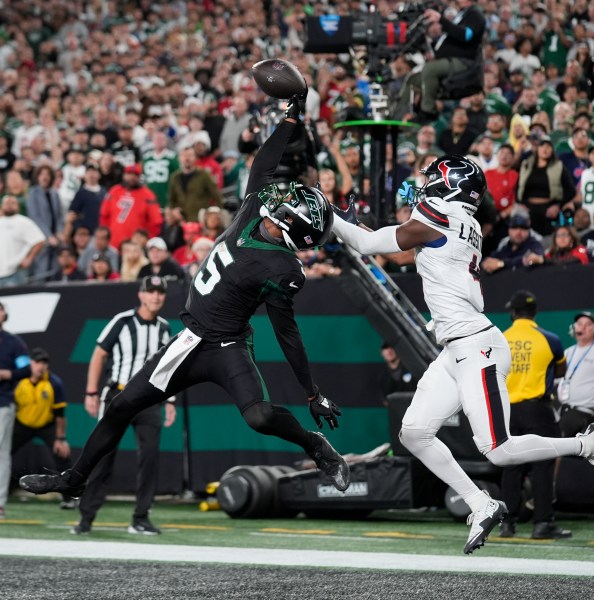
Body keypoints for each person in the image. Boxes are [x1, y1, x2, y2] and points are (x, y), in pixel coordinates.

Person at [19, 94, 351, 512]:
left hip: (228, 346)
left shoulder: (283, 267)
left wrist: (311, 392)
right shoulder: (252, 210)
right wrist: (288, 120)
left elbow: (287, 333)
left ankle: (316, 447)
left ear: (289, 226)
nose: (278, 203)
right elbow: (262, 162)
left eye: (285, 208)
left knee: (260, 417)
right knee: (121, 405)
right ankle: (74, 480)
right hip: (190, 339)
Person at [329, 153, 594, 554]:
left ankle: (586, 444)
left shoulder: (441, 216)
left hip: (477, 347)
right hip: (456, 349)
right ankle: (481, 502)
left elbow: (371, 245)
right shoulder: (457, 220)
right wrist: (353, 225)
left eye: (433, 177)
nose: (425, 184)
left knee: (498, 448)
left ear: (450, 184)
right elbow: (397, 241)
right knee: (414, 432)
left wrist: (326, 215)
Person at [72, 276, 176, 535]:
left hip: (148, 401)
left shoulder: (164, 327)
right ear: (141, 295)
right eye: (150, 291)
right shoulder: (122, 321)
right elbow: (99, 354)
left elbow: (169, 367)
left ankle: (140, 518)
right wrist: (91, 392)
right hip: (118, 396)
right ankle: (86, 518)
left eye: (160, 292)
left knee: (150, 457)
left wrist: (170, 400)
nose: (156, 296)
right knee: (103, 456)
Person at [500, 291, 571, 540]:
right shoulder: (549, 339)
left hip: (507, 410)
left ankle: (507, 524)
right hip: (537, 408)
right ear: (534, 313)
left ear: (513, 313)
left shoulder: (501, 339)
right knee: (543, 465)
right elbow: (560, 370)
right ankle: (542, 524)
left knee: (511, 466)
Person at [398, 0, 486, 123]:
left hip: (464, 62)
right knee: (413, 79)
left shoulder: (475, 14)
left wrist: (441, 20)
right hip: (447, 60)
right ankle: (399, 113)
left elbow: (466, 35)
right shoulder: (460, 15)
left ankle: (428, 111)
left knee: (430, 69)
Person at [12, 348, 73, 509]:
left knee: (62, 455)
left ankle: (69, 497)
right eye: (37, 362)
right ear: (30, 363)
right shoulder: (18, 380)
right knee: (3, 453)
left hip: (47, 425)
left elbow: (60, 414)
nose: (40, 366)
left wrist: (61, 438)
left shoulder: (54, 383)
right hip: (21, 425)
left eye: (44, 362)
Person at [0, 302, 30, 519]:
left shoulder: (13, 342)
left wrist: (6, 375)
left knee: (1, 454)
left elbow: (26, 368)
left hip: (2, 402)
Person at [99, 164, 163, 251]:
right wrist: (105, 237)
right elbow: (104, 215)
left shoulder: (148, 195)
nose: (132, 178)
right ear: (124, 175)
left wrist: (148, 241)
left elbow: (155, 222)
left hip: (136, 246)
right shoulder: (114, 191)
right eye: (129, 174)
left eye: (135, 175)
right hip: (113, 243)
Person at [557, 312, 594, 437]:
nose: (582, 328)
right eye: (580, 324)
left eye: (588, 325)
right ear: (574, 328)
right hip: (566, 410)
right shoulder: (568, 352)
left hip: (587, 413)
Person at [0, 195, 46, 288]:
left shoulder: (23, 222)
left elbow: (39, 241)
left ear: (18, 206)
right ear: (2, 206)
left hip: (15, 272)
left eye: (12, 203)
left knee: (14, 300)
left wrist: (29, 258)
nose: (9, 206)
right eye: (7, 203)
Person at [480, 213, 546, 274]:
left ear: (528, 231)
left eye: (523, 228)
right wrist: (486, 263)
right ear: (509, 230)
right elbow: (491, 259)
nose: (519, 232)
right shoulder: (506, 247)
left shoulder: (534, 244)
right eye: (515, 227)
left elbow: (534, 258)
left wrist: (501, 264)